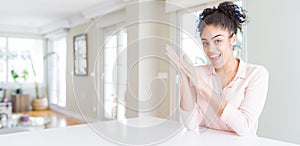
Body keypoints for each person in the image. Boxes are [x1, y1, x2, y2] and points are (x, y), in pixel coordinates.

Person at [165, 1, 269, 136]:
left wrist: (202, 85)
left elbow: (244, 127)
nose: (210, 50)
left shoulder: (256, 74)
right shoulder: (198, 73)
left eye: (218, 41)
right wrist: (184, 75)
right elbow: (190, 124)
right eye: (205, 43)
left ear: (233, 39)